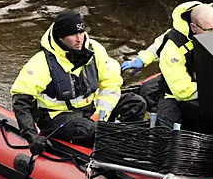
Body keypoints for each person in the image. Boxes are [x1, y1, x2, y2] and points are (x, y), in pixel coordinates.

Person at [10, 10, 146, 153]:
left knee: (136, 103)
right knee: (87, 130)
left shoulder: (95, 50)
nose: (79, 39)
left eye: (81, 33)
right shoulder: (42, 62)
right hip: (57, 117)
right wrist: (31, 136)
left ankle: (120, 147)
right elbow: (21, 100)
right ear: (60, 37)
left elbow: (111, 83)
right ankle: (103, 148)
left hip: (91, 110)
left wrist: (101, 115)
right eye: (72, 35)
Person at [151, 2, 213, 130]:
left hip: (212, 89)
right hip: (176, 95)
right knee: (166, 131)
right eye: (209, 30)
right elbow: (182, 91)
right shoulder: (172, 48)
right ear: (193, 27)